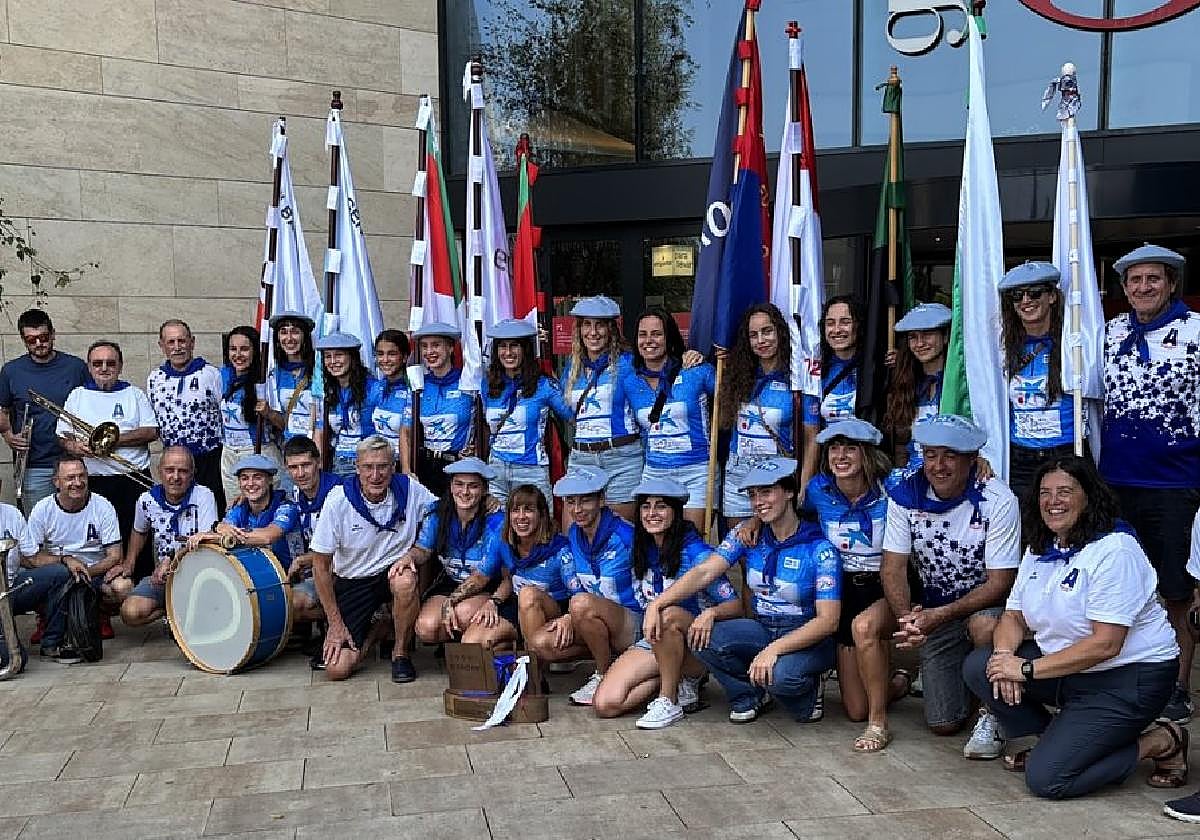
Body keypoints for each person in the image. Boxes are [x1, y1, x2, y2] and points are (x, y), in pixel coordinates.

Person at [964, 455, 1182, 800]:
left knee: (1048, 780)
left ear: (1089, 495)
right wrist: (1005, 658)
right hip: (1071, 668)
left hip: (1127, 677)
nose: (1053, 502)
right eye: (1045, 493)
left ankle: (1159, 741)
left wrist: (1024, 668)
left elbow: (1105, 645)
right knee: (982, 665)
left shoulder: (1115, 549)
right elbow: (1013, 616)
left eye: (1065, 491)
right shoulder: (1042, 547)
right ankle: (1058, 742)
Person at [650, 457, 840, 723]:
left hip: (806, 634)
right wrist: (657, 604)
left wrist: (774, 651)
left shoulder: (819, 548)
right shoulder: (747, 533)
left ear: (789, 492)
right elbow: (705, 570)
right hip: (763, 626)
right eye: (752, 495)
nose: (758, 502)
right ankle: (748, 695)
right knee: (701, 636)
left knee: (783, 680)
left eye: (766, 492)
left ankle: (808, 688)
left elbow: (828, 621)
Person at [1098, 243, 1200, 725]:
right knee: (1124, 587)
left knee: (1176, 591)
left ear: (1172, 283)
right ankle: (1127, 675)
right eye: (1134, 281)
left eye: (1153, 279)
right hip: (1115, 480)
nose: (1143, 288)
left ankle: (1178, 685)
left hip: (1176, 483)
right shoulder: (1111, 332)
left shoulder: (1196, 332)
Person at [881, 414, 1020, 758]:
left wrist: (938, 615)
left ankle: (995, 714)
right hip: (935, 608)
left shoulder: (999, 499)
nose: (938, 466)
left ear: (972, 459)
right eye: (930, 455)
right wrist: (908, 621)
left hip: (983, 604)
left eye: (950, 456)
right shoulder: (904, 494)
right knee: (943, 722)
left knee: (985, 624)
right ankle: (968, 690)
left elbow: (1001, 582)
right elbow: (892, 567)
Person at [594, 476, 740, 729]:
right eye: (646, 506)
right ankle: (673, 681)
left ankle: (668, 699)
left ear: (676, 512)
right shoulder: (642, 546)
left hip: (692, 643)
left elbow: (736, 606)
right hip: (654, 641)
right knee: (606, 704)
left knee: (668, 613)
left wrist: (711, 613)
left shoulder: (696, 553)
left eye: (661, 506)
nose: (652, 513)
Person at [803, 419, 913, 750]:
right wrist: (752, 521)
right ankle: (896, 683)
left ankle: (879, 725)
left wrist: (982, 461)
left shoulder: (894, 484)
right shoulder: (818, 490)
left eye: (850, 447)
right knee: (854, 708)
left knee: (864, 628)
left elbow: (936, 472)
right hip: (843, 589)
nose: (841, 455)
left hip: (886, 583)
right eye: (834, 448)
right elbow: (791, 515)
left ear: (866, 454)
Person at [308, 435, 435, 682]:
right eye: (368, 467)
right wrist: (335, 624)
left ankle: (401, 652)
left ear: (393, 466)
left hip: (392, 572)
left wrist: (417, 551)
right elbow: (320, 566)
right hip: (354, 580)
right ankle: (379, 628)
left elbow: (439, 511)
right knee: (337, 669)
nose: (375, 475)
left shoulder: (409, 488)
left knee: (405, 580)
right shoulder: (337, 501)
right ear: (357, 468)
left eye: (382, 467)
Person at [528, 467, 641, 706]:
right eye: (571, 502)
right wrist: (571, 616)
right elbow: (576, 586)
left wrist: (576, 611)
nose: (577, 509)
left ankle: (603, 674)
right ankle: (608, 661)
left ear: (601, 500)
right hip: (593, 618)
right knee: (541, 643)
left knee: (580, 604)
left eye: (585, 501)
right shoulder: (574, 535)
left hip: (633, 622)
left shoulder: (627, 535)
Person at [58, 340, 158, 580]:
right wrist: (75, 446)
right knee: (99, 540)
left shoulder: (134, 394)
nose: (104, 368)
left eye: (110, 363)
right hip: (94, 480)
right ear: (89, 367)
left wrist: (110, 441)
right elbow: (63, 434)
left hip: (132, 477)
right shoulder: (78, 395)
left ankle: (140, 587)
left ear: (120, 366)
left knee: (138, 533)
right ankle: (103, 592)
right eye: (97, 363)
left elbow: (150, 431)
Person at [19, 455, 127, 658]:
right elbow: (27, 557)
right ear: (56, 482)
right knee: (35, 580)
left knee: (122, 587)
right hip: (58, 574)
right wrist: (65, 567)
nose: (77, 483)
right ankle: (46, 619)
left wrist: (85, 572)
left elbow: (114, 555)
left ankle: (98, 615)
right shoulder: (43, 509)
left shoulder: (102, 506)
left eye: (81, 476)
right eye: (70, 478)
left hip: (94, 572)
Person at [997, 262, 1086, 502]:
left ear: (1052, 297)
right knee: (1027, 528)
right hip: (1021, 457)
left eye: (1034, 292)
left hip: (1066, 452)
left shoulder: (1073, 344)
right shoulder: (1002, 348)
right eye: (1017, 296)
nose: (1026, 300)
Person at [623, 307, 717, 531]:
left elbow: (732, 401)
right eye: (643, 334)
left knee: (691, 542)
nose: (649, 341)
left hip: (696, 471)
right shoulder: (630, 382)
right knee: (657, 544)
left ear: (669, 337)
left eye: (657, 334)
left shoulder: (696, 371)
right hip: (654, 472)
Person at [555, 296, 643, 524]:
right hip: (581, 458)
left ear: (611, 329)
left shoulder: (628, 364)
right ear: (579, 329)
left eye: (600, 324)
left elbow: (644, 409)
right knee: (573, 534)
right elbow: (569, 412)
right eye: (587, 324)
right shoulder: (573, 368)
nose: (593, 332)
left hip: (621, 459)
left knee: (617, 535)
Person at [410, 459, 511, 649]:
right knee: (426, 628)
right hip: (451, 582)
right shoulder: (437, 513)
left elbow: (482, 577)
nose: (465, 492)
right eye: (459, 485)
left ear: (484, 490)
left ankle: (484, 641)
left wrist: (451, 601)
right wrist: (409, 558)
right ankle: (457, 643)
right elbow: (423, 550)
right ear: (450, 486)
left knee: (462, 613)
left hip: (488, 586)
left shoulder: (496, 521)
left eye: (473, 486)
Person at [120, 447, 219, 628]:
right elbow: (139, 531)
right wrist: (129, 562)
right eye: (169, 470)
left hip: (197, 575)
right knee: (130, 613)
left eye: (183, 471)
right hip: (163, 576)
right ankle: (170, 611)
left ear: (192, 474)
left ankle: (180, 612)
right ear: (159, 471)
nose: (175, 477)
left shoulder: (204, 495)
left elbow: (207, 541)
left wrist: (171, 560)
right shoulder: (146, 500)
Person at [0, 309, 88, 511]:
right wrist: (8, 435)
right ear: (24, 340)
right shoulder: (11, 371)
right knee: (38, 529)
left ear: (53, 334)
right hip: (34, 466)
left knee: (76, 523)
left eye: (44, 337)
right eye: (31, 340)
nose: (39, 343)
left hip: (73, 463)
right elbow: (2, 410)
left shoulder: (76, 367)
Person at [718, 303, 796, 527]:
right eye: (753, 335)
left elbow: (809, 436)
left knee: (773, 547)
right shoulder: (736, 374)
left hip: (775, 474)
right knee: (742, 548)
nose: (761, 340)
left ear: (779, 332)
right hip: (738, 473)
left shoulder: (796, 378)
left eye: (767, 331)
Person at [146, 319, 226, 513]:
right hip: (175, 463)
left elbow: (224, 414)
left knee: (212, 510)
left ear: (192, 342)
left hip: (209, 459)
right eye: (171, 342)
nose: (177, 347)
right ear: (162, 346)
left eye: (182, 341)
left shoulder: (210, 374)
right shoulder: (155, 379)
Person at [482, 318, 566, 503]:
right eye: (502, 346)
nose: (508, 352)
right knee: (496, 529)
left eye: (514, 346)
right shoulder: (488, 384)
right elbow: (486, 425)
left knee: (538, 529)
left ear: (525, 350)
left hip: (531, 471)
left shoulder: (544, 385)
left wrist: (557, 377)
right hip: (496, 470)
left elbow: (570, 414)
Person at [487, 485, 575, 652]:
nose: (521, 517)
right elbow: (509, 578)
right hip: (517, 606)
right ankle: (517, 650)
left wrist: (568, 618)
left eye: (528, 510)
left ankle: (533, 672)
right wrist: (493, 601)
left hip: (553, 610)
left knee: (528, 594)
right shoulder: (506, 543)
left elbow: (578, 592)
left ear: (541, 515)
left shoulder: (560, 550)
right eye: (515, 510)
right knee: (476, 640)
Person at [0, 478, 73, 670]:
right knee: (14, 661)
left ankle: (52, 643)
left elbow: (32, 557)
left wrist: (65, 559)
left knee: (60, 574)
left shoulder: (12, 514)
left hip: (11, 588)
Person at [188, 454, 298, 568]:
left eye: (257, 477)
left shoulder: (286, 506)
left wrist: (222, 536)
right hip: (257, 576)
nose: (250, 483)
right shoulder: (239, 507)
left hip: (292, 578)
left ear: (270, 480)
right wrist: (217, 528)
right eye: (244, 478)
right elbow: (224, 528)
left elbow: (268, 536)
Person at [800, 295, 864, 491]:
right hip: (832, 470)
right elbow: (812, 437)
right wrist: (804, 489)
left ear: (858, 326)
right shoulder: (816, 372)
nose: (837, 330)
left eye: (845, 322)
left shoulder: (874, 370)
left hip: (868, 472)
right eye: (830, 323)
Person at [409, 322, 476, 497]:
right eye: (424, 346)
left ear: (451, 348)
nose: (429, 351)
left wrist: (476, 449)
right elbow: (406, 430)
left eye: (436, 345)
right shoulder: (420, 385)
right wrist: (408, 469)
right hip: (425, 466)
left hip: (459, 467)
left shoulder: (468, 383)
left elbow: (485, 423)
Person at [883, 303, 951, 469]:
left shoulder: (962, 385)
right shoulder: (904, 383)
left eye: (927, 334)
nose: (920, 343)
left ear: (945, 337)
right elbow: (901, 446)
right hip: (913, 479)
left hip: (950, 479)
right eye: (913, 336)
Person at [281, 435, 339, 626]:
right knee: (284, 604)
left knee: (296, 603)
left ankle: (347, 618)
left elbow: (347, 546)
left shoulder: (338, 492)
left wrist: (304, 559)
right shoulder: (295, 493)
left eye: (306, 465)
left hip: (346, 568)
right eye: (293, 467)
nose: (300, 473)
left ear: (318, 462)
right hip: (317, 568)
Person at [219, 325, 280, 503]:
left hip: (258, 451)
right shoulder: (223, 376)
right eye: (233, 349)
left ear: (255, 351)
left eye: (244, 349)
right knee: (234, 508)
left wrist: (268, 413)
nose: (238, 355)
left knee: (262, 507)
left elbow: (285, 424)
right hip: (229, 452)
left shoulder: (266, 381)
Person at [261, 311, 318, 461]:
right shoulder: (274, 372)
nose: (289, 338)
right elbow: (285, 422)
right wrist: (269, 413)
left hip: (316, 447)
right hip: (289, 448)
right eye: (283, 332)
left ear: (304, 336)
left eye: (295, 332)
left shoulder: (319, 370)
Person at [316, 332, 370, 477]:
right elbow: (320, 430)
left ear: (352, 357)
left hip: (365, 464)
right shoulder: (329, 391)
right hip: (337, 462)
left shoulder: (373, 388)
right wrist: (319, 466)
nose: (333, 362)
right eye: (328, 356)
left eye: (339, 355)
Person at [366, 329, 413, 474]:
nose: (385, 360)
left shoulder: (413, 389)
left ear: (404, 357)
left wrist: (406, 470)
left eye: (391, 354)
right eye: (380, 354)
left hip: (402, 465)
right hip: (378, 464)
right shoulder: (376, 387)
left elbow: (409, 435)